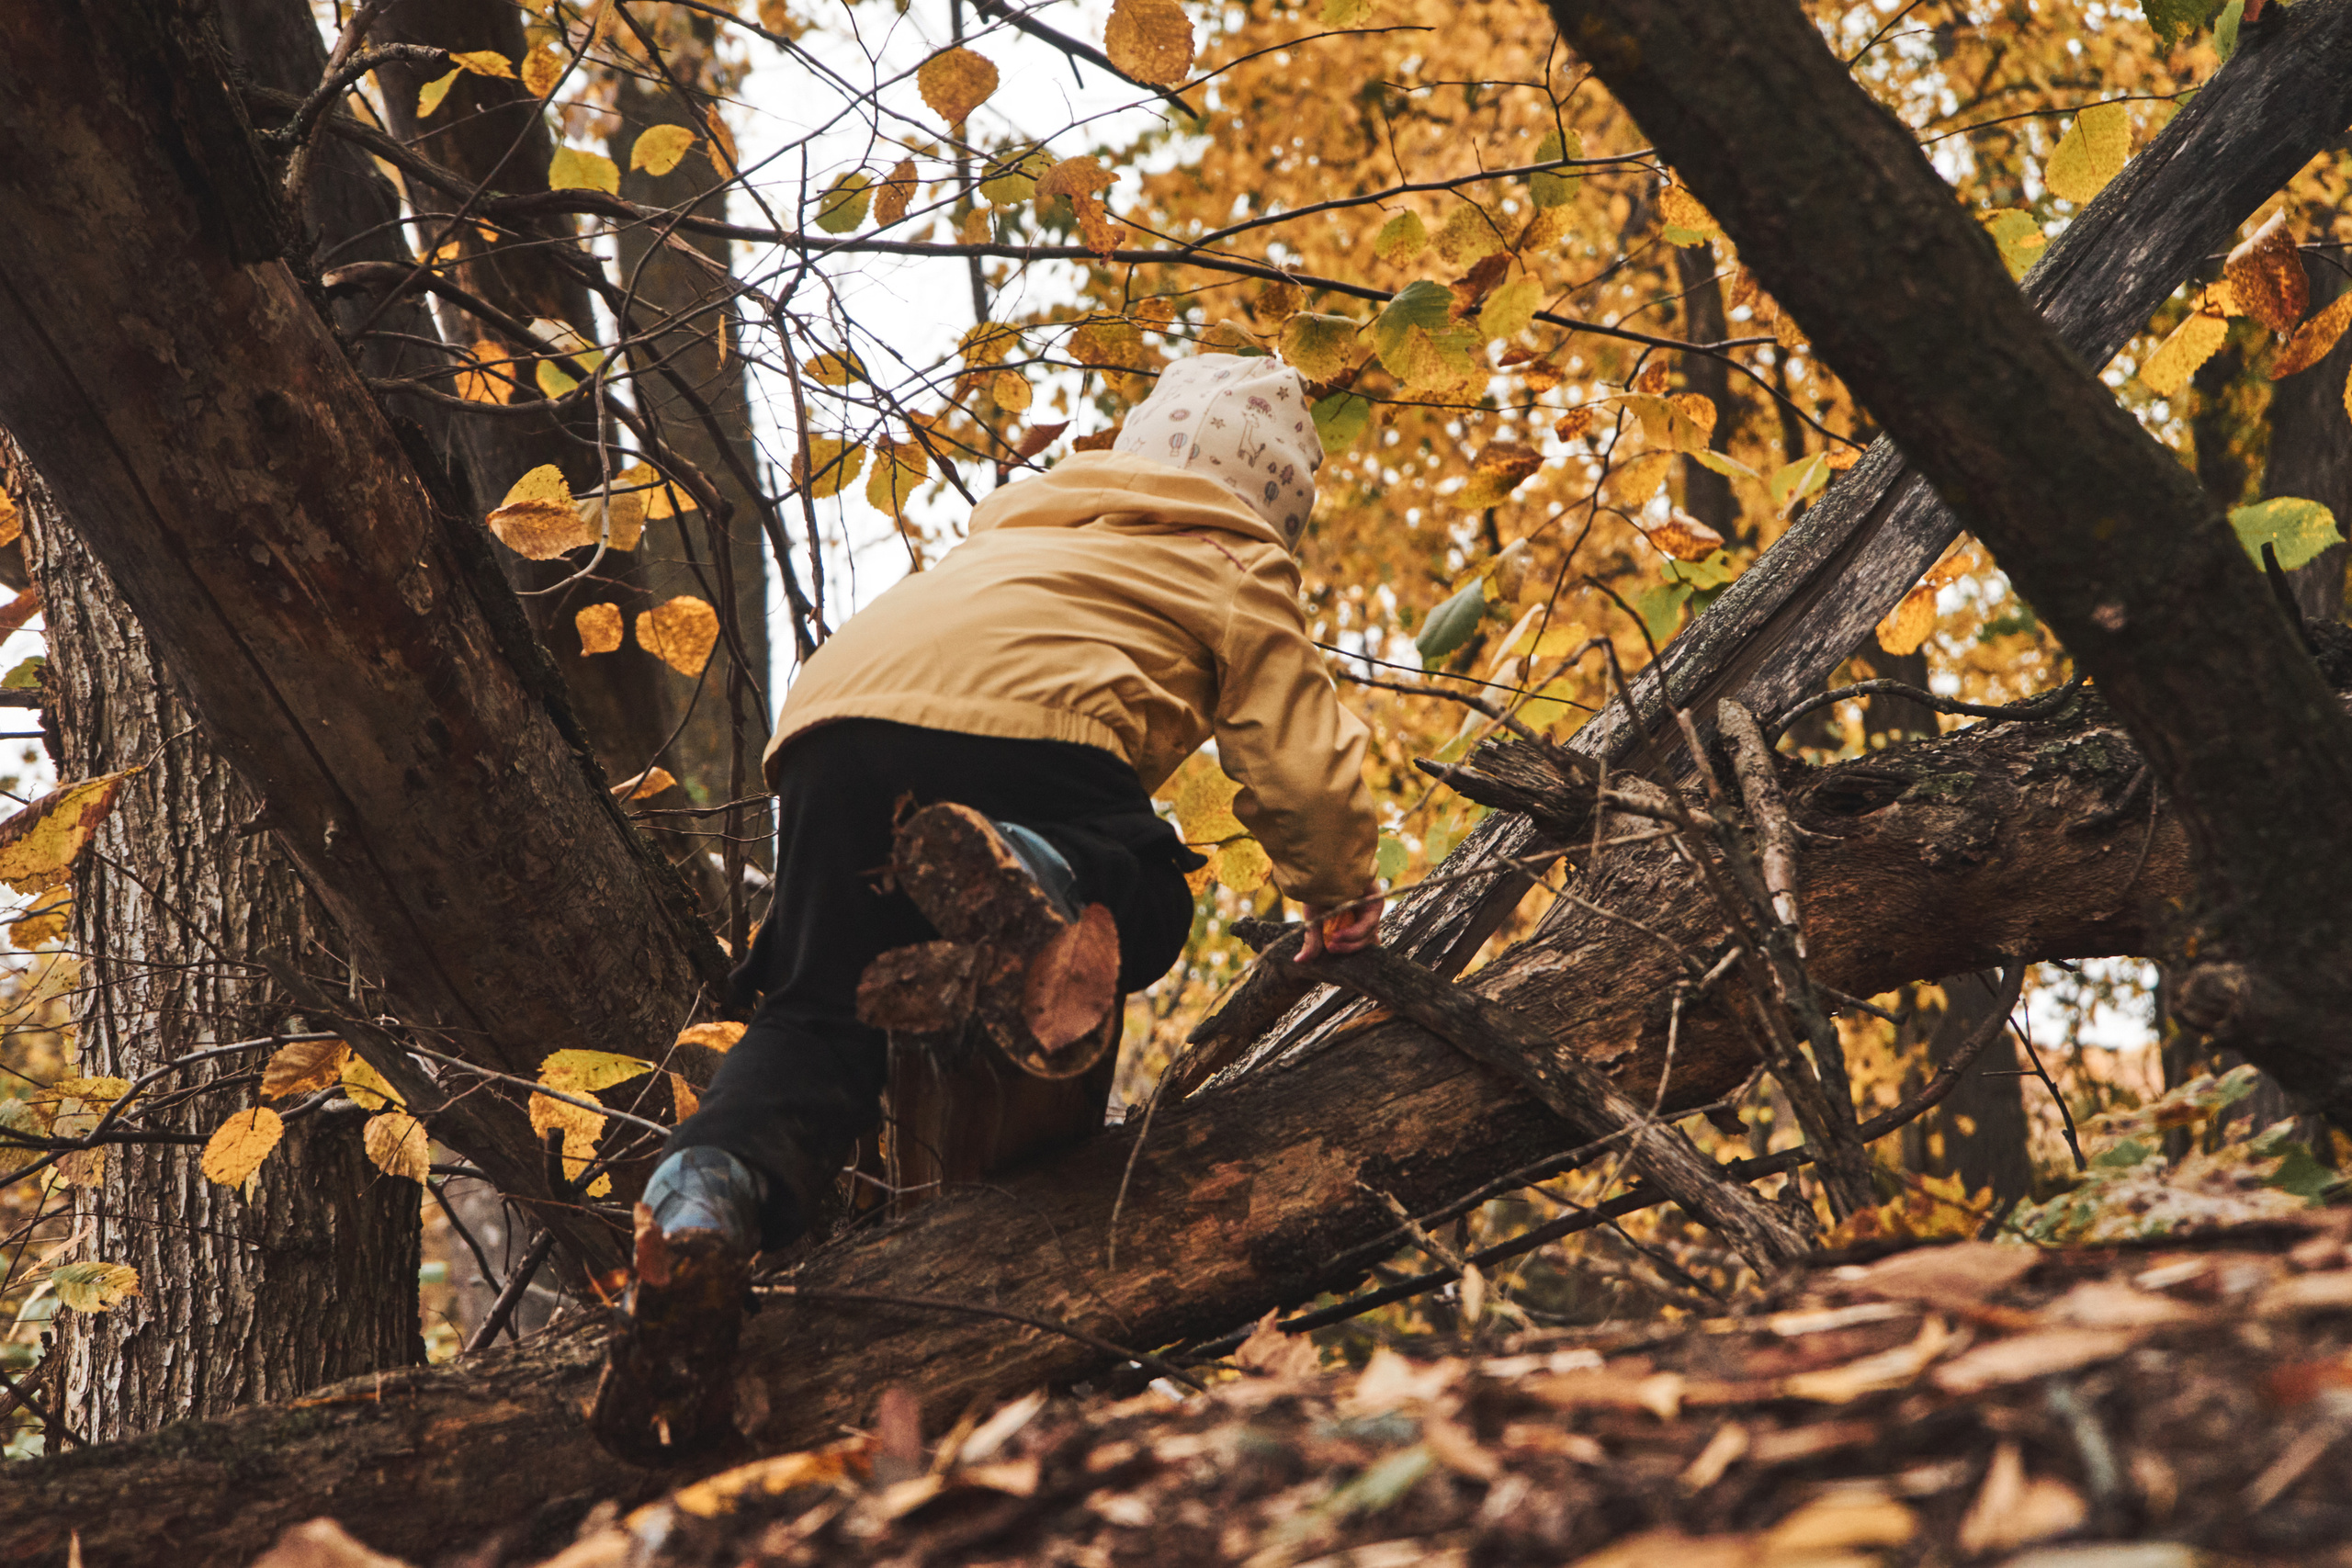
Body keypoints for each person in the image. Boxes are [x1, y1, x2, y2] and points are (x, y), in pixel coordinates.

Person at [596, 355, 1383, 1456]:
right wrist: (1340, 892)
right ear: (1274, 507)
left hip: (833, 723)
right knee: (1148, 887)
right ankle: (1027, 869)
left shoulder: (1025, 527)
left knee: (818, 1019)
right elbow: (1296, 763)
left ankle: (701, 1200)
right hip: (1024, 735)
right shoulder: (1233, 554)